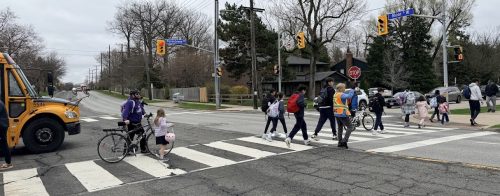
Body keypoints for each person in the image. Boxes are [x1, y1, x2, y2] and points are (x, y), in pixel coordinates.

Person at [333, 83, 355, 149]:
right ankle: (344, 141)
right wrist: (352, 89)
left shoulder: (335, 94)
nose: (344, 89)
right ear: (340, 88)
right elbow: (349, 96)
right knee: (350, 127)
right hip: (342, 113)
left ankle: (340, 142)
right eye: (343, 88)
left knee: (340, 128)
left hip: (336, 113)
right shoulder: (341, 94)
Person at [0, 100, 13, 170]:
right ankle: (8, 163)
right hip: (3, 125)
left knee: (3, 144)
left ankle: (8, 163)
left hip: (1, 126)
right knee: (3, 143)